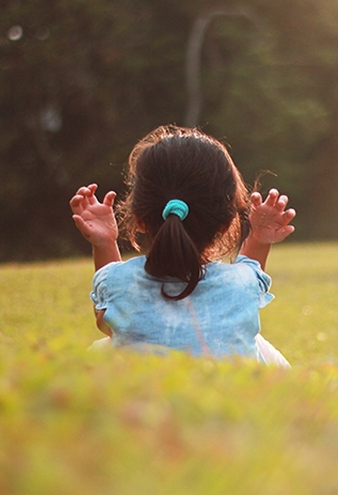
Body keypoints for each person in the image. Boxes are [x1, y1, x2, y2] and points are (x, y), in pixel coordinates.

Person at [69, 125, 295, 366]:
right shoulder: (242, 283)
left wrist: (104, 243)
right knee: (261, 347)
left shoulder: (119, 281)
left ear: (139, 218)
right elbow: (251, 276)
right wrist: (259, 239)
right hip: (232, 398)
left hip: (142, 400)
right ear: (226, 222)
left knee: (100, 351)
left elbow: (110, 323)